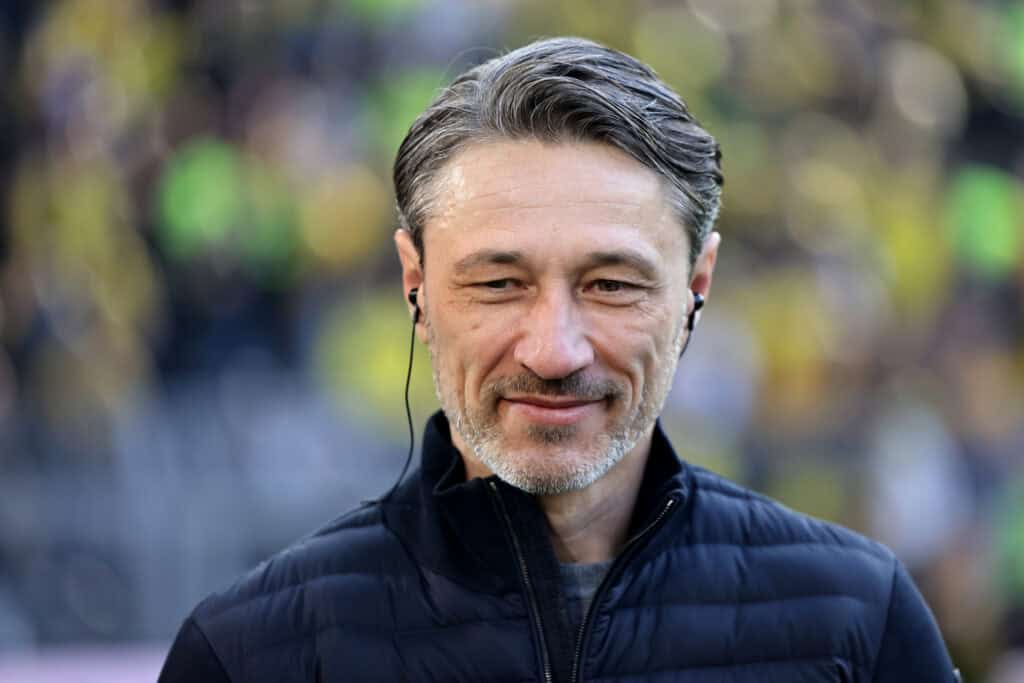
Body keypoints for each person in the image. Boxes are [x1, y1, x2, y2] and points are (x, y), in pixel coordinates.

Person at [160, 37, 959, 682]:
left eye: (611, 284)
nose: (553, 350)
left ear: (696, 288)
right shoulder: (250, 653)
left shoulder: (858, 621)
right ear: (416, 286)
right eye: (498, 283)